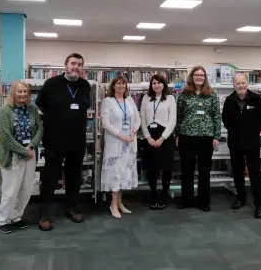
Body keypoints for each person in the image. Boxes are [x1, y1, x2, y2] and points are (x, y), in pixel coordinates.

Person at [35, 53, 91, 231]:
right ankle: (45, 213)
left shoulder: (85, 86)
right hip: (55, 139)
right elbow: (40, 104)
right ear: (65, 65)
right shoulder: (51, 84)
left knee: (74, 176)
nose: (76, 67)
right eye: (73, 63)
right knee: (50, 177)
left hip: (77, 140)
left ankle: (71, 208)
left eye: (79, 64)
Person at [0, 80, 43, 234]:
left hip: (29, 154)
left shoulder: (32, 109)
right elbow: (6, 137)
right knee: (10, 190)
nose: (22, 94)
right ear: (13, 93)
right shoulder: (6, 111)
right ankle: (2, 220)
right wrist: (24, 151)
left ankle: (16, 217)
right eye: (19, 91)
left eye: (25, 92)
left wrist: (31, 147)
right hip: (13, 155)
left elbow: (40, 129)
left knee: (26, 189)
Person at [221, 73, 261, 219]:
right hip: (235, 143)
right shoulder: (229, 101)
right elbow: (226, 120)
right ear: (233, 85)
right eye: (238, 83)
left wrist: (252, 131)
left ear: (247, 84)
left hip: (252, 143)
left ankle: (259, 204)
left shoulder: (256, 99)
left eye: (243, 83)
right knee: (237, 172)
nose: (240, 86)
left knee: (255, 173)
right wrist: (236, 131)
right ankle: (241, 198)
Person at [175, 66, 221, 212]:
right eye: (197, 75)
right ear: (192, 76)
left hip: (206, 138)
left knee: (204, 171)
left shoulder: (212, 94)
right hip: (186, 137)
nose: (199, 77)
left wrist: (217, 136)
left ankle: (204, 201)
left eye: (202, 75)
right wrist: (177, 134)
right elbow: (179, 115)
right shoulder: (183, 95)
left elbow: (216, 116)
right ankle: (186, 199)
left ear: (205, 77)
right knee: (187, 171)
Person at [100, 75, 141, 218]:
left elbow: (137, 118)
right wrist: (120, 135)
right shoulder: (107, 101)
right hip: (116, 142)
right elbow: (105, 123)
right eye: (118, 83)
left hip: (129, 144)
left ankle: (119, 203)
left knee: (124, 174)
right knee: (115, 174)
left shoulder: (130, 100)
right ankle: (113, 204)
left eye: (123, 84)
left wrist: (134, 129)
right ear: (113, 86)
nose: (121, 86)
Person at [140, 74, 177, 210]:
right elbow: (142, 119)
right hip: (150, 136)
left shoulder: (170, 98)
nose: (157, 85)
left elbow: (172, 120)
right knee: (152, 169)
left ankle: (164, 195)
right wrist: (148, 137)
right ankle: (153, 194)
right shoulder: (145, 98)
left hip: (165, 138)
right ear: (151, 85)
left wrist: (162, 138)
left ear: (164, 84)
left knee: (166, 169)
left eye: (159, 83)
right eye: (154, 83)